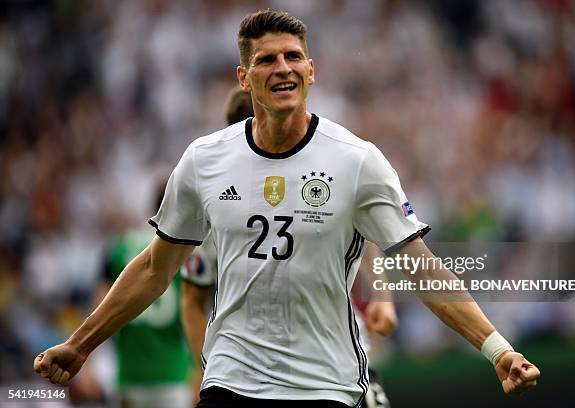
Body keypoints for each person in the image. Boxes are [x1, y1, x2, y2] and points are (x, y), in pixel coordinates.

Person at [34, 9, 540, 408]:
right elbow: (152, 268)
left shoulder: (357, 161)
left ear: (312, 70)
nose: (283, 68)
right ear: (244, 77)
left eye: (294, 57)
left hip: (325, 383)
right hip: (232, 379)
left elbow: (420, 266)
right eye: (268, 60)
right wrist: (80, 345)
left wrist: (497, 349)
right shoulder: (204, 160)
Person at [180, 85, 397, 407]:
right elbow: (191, 298)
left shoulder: (318, 185)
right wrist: (207, 368)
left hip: (333, 366)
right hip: (247, 376)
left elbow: (364, 240)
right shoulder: (218, 205)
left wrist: (383, 297)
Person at [95, 182, 194, 408]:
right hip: (173, 373)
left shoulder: (119, 247)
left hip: (129, 373)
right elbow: (193, 310)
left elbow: (100, 307)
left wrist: (89, 361)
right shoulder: (189, 251)